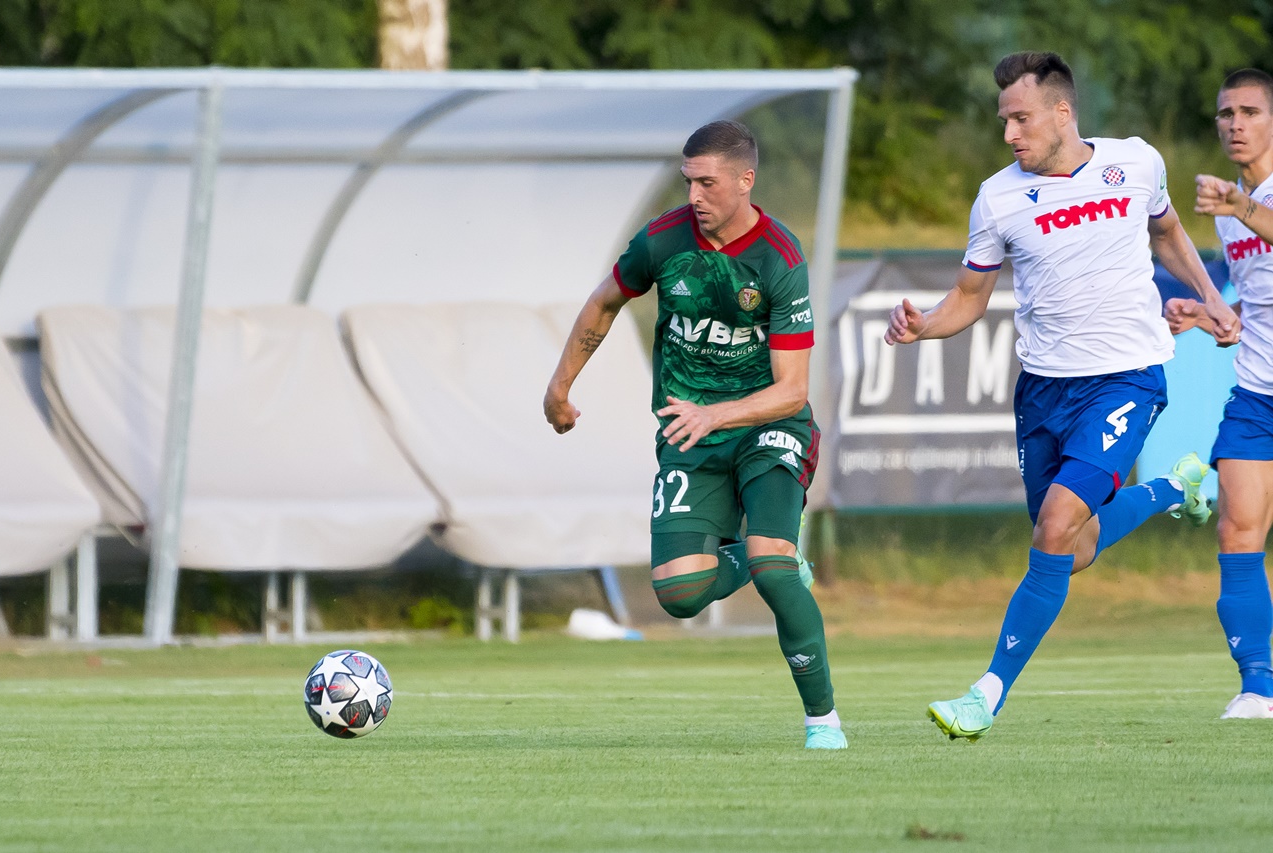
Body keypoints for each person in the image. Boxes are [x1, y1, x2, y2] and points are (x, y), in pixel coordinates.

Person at [884, 51, 1240, 741]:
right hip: (1044, 392)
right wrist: (924, 325)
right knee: (1073, 547)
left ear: (1062, 112)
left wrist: (1209, 296)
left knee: (1054, 527)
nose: (1009, 134)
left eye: (1021, 119)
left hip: (1127, 378)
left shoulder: (1136, 162)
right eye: (1003, 121)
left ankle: (984, 695)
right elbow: (969, 297)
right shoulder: (997, 198)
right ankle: (1173, 488)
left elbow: (1166, 230)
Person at [543, 120, 845, 750]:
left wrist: (717, 413)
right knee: (680, 594)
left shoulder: (779, 257)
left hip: (769, 427)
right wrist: (559, 387)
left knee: (771, 563)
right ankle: (767, 559)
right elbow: (604, 301)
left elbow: (793, 390)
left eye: (707, 182)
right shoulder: (663, 240)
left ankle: (824, 723)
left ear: (745, 180)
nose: (695, 196)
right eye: (688, 182)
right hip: (689, 435)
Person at [1165, 68, 1273, 719]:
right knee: (1236, 530)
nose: (1236, 124)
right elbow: (1251, 314)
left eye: (1251, 112)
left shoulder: (1239, 208)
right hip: (1257, 393)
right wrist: (1208, 317)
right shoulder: (1231, 210)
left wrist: (1241, 208)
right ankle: (1258, 686)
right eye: (1227, 113)